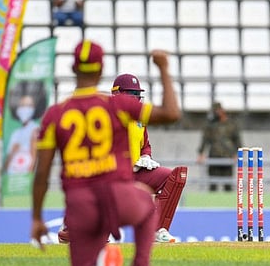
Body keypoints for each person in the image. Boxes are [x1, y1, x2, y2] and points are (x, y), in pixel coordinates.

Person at [30, 40, 181, 266]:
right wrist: (164, 68)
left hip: (80, 205)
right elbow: (170, 113)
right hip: (117, 194)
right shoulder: (118, 106)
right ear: (101, 70)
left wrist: (36, 217)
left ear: (73, 68)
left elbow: (41, 174)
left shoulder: (55, 114)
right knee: (145, 205)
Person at [58, 73, 187, 243]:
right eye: (131, 95)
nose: (136, 99)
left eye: (138, 96)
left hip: (134, 172)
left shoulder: (139, 119)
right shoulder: (104, 115)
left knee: (174, 176)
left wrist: (146, 157)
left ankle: (158, 230)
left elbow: (145, 144)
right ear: (117, 93)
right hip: (108, 173)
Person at [197, 102, 242, 191]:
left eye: (216, 111)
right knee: (213, 185)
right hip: (214, 156)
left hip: (227, 157)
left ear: (221, 110)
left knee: (228, 185)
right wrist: (201, 154)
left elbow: (237, 140)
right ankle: (211, 204)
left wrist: (238, 154)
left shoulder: (231, 124)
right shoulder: (210, 125)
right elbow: (205, 140)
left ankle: (229, 204)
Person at [3, 95, 38, 174]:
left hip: (24, 177)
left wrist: (28, 176)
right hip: (12, 176)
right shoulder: (15, 133)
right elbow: (7, 161)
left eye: (29, 105)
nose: (25, 109)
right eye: (23, 105)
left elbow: (34, 157)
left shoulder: (35, 129)